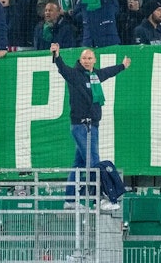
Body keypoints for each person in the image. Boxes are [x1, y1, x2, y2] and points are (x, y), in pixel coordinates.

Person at [50, 42, 130, 211]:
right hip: (81, 126)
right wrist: (56, 55)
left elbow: (108, 72)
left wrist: (122, 66)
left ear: (94, 60)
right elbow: (62, 68)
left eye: (90, 58)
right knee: (93, 161)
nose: (87, 61)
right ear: (80, 60)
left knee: (78, 164)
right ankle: (100, 199)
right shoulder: (74, 75)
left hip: (93, 125)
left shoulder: (95, 76)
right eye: (84, 58)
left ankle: (70, 200)